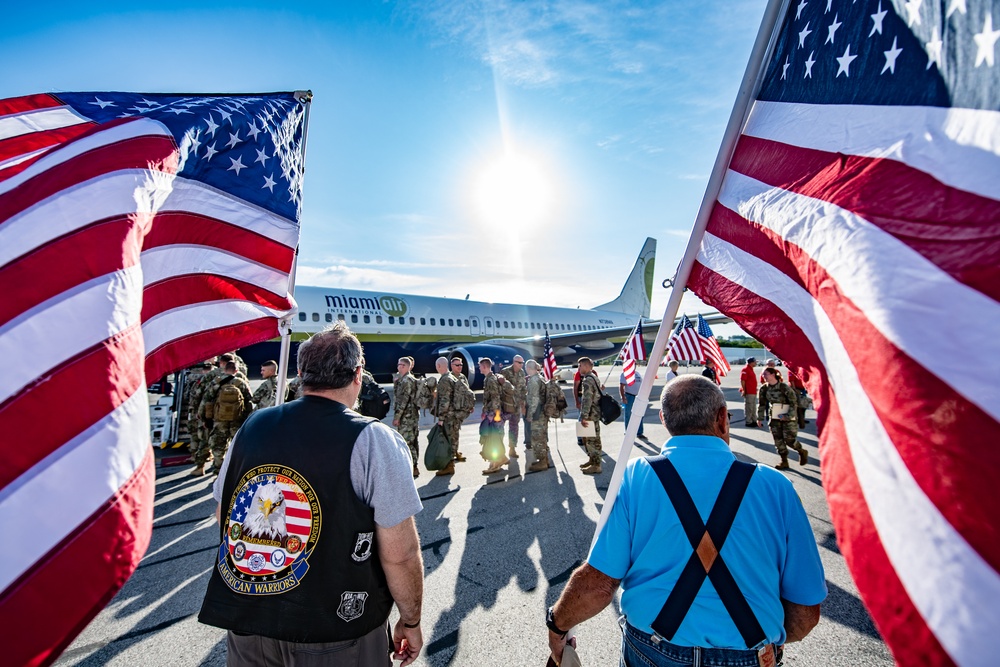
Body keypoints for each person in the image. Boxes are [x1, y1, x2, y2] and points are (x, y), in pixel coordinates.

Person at [546, 375, 825, 667]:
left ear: (665, 421)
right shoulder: (776, 486)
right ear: (722, 419)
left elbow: (600, 584)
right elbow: (806, 611)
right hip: (750, 654)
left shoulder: (636, 476)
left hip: (653, 651)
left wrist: (557, 624)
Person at [199, 323, 424, 666]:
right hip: (336, 635)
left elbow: (223, 514)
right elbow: (401, 554)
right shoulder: (374, 439)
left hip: (250, 627)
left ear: (301, 373)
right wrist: (411, 621)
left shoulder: (252, 427)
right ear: (358, 376)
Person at [204, 361, 253, 475]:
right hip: (237, 419)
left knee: (218, 445)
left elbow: (207, 400)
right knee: (237, 445)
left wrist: (206, 418)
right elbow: (249, 400)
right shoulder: (240, 382)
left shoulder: (216, 382)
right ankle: (237, 471)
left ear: (224, 369)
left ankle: (219, 471)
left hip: (219, 419)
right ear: (236, 371)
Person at [758, 367, 809, 470]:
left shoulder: (784, 388)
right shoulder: (764, 389)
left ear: (773, 374)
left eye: (766, 374)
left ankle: (801, 451)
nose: (764, 376)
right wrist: (759, 418)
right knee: (778, 440)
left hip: (788, 418)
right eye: (763, 374)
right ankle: (784, 461)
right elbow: (762, 404)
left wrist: (788, 416)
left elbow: (793, 403)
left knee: (789, 440)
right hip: (775, 417)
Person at [432, 357, 465, 477]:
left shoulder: (445, 380)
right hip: (454, 414)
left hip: (448, 416)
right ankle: (449, 463)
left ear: (439, 366)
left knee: (448, 440)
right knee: (451, 438)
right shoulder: (450, 378)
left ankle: (449, 466)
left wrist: (441, 418)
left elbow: (445, 401)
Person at [480, 358, 508, 475]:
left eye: (480, 366)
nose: (479, 368)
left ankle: (495, 464)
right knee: (495, 437)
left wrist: (492, 415)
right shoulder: (489, 378)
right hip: (492, 413)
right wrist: (484, 411)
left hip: (495, 415)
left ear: (485, 366)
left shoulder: (491, 380)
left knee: (494, 438)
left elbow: (495, 398)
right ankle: (501, 458)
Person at [393, 357, 420, 478]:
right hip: (411, 415)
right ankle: (413, 466)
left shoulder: (406, 380)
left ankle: (413, 467)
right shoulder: (403, 379)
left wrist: (397, 417)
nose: (399, 367)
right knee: (412, 441)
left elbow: (403, 401)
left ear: (408, 367)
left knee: (408, 442)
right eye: (398, 365)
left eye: (402, 365)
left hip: (407, 417)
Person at [577, 358, 603, 475]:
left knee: (591, 440)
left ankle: (596, 465)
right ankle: (592, 460)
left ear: (586, 366)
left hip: (591, 414)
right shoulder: (594, 377)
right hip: (595, 413)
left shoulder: (587, 380)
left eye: (580, 366)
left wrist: (584, 416)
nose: (579, 369)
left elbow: (587, 399)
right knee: (594, 438)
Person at [525, 360, 551, 471]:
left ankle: (542, 462)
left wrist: (530, 414)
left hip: (537, 413)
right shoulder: (541, 378)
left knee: (537, 438)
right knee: (542, 437)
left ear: (529, 368)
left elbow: (534, 399)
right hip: (543, 412)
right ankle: (544, 459)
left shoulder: (534, 380)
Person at [500, 355, 527, 459]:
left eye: (522, 363)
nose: (521, 365)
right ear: (514, 362)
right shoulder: (505, 372)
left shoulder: (522, 373)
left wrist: (523, 405)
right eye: (519, 363)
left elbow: (523, 390)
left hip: (516, 406)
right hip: (506, 405)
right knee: (500, 428)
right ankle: (500, 451)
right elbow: (500, 388)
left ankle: (512, 448)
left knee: (514, 427)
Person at [619, 366, 645, 439]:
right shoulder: (625, 374)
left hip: (638, 396)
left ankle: (639, 432)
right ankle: (628, 432)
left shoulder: (637, 374)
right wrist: (623, 397)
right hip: (629, 396)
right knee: (628, 415)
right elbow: (621, 386)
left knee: (640, 414)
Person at [739, 357, 759, 427]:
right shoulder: (745, 370)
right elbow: (743, 380)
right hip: (749, 391)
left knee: (753, 407)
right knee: (749, 407)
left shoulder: (751, 369)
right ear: (751, 363)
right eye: (755, 362)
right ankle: (748, 421)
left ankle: (754, 420)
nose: (756, 363)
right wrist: (744, 390)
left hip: (753, 391)